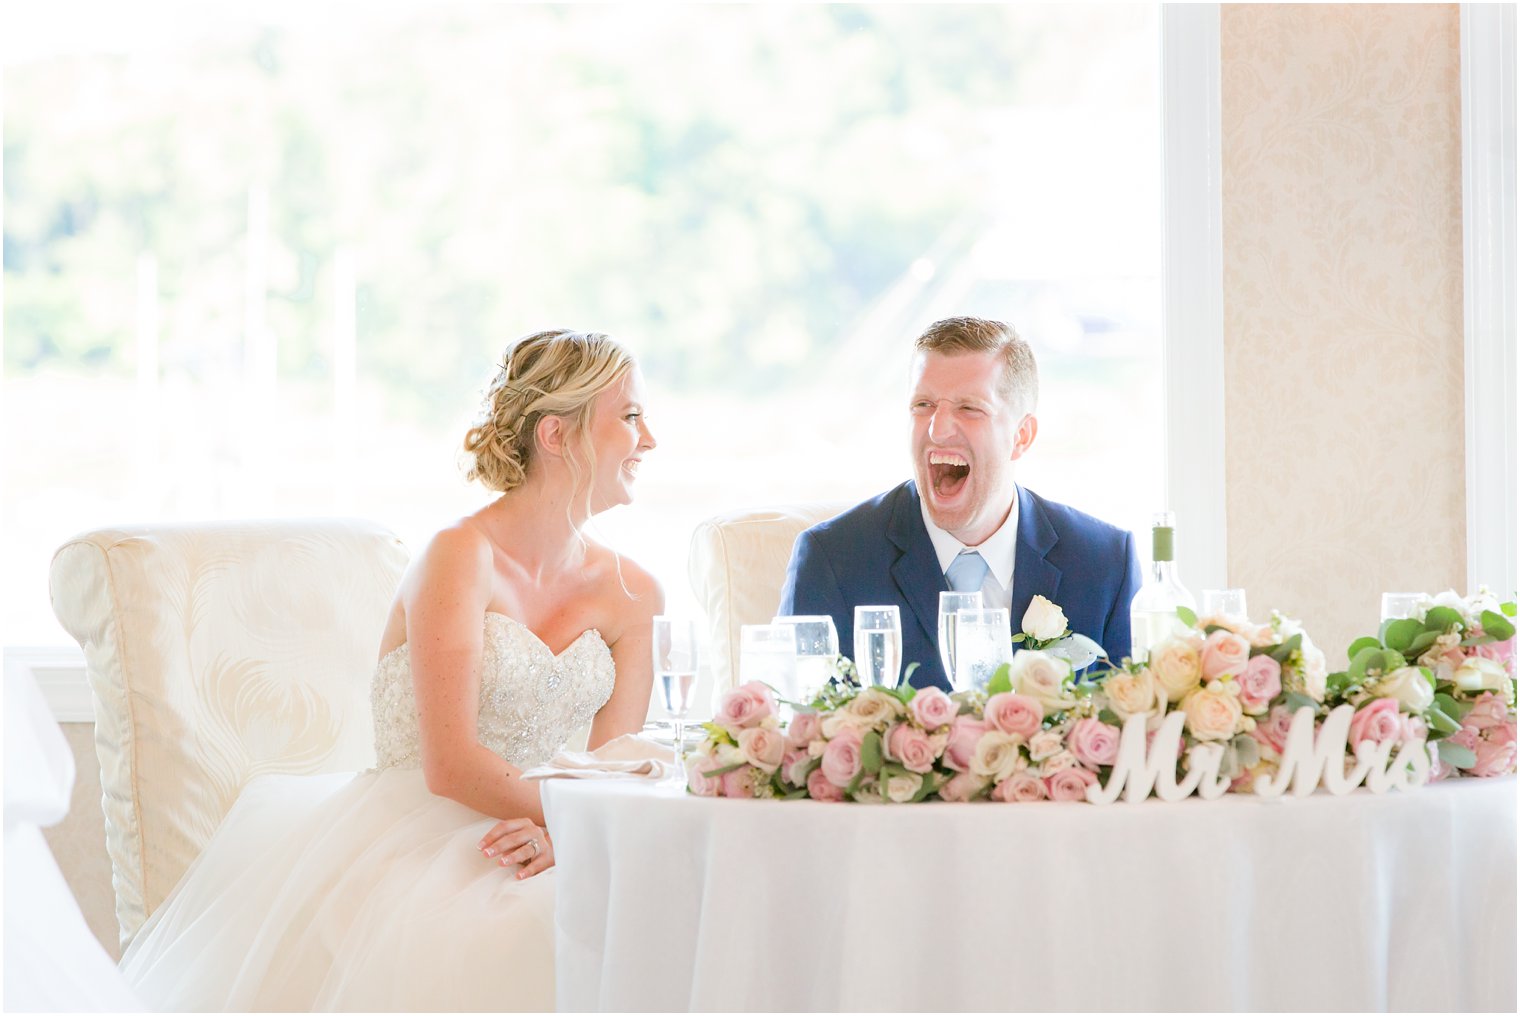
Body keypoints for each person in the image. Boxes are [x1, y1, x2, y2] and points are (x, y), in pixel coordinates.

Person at [120, 329, 662, 1011]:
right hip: (424, 835)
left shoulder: (635, 593)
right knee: (528, 934)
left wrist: (574, 835)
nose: (649, 440)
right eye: (632, 416)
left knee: (645, 911)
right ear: (557, 434)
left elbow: (617, 764)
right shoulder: (459, 557)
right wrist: (579, 820)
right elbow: (452, 763)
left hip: (554, 835)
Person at [778, 316, 1140, 690]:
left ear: (1021, 436)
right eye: (923, 404)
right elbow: (798, 725)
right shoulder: (832, 559)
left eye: (969, 408)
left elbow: (1133, 733)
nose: (937, 429)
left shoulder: (1106, 563)